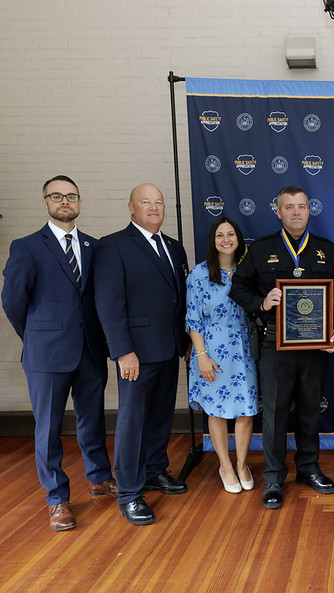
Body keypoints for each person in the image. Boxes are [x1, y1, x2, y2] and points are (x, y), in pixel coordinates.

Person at [1, 175, 116, 531]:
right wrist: (36, 336)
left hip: (90, 352)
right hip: (46, 355)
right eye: (57, 196)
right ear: (45, 202)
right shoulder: (27, 246)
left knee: (92, 420)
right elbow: (13, 302)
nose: (65, 201)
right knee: (48, 428)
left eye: (71, 196)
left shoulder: (96, 247)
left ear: (79, 202)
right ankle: (57, 498)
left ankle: (99, 477)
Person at [230, 185, 334, 510]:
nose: (296, 212)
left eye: (301, 206)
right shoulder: (260, 250)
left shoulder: (327, 250)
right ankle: (273, 478)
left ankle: (309, 468)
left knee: (311, 410)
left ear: (309, 210)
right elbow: (238, 288)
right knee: (273, 413)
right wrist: (262, 302)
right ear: (278, 211)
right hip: (274, 346)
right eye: (289, 207)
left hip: (315, 347)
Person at [94, 183, 189, 526]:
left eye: (159, 202)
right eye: (146, 202)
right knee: (132, 422)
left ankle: (153, 471)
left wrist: (187, 344)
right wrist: (122, 352)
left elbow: (179, 301)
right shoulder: (113, 246)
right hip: (135, 354)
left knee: (161, 415)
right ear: (131, 207)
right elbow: (108, 303)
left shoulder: (175, 249)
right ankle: (130, 494)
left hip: (168, 348)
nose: (154, 207)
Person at [186, 217, 258, 493]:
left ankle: (241, 464)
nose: (226, 239)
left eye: (231, 234)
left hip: (244, 350)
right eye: (220, 235)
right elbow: (193, 320)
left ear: (238, 239)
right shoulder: (199, 274)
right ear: (212, 241)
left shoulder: (248, 271)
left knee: (245, 413)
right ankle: (225, 465)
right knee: (216, 413)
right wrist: (202, 356)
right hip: (211, 351)